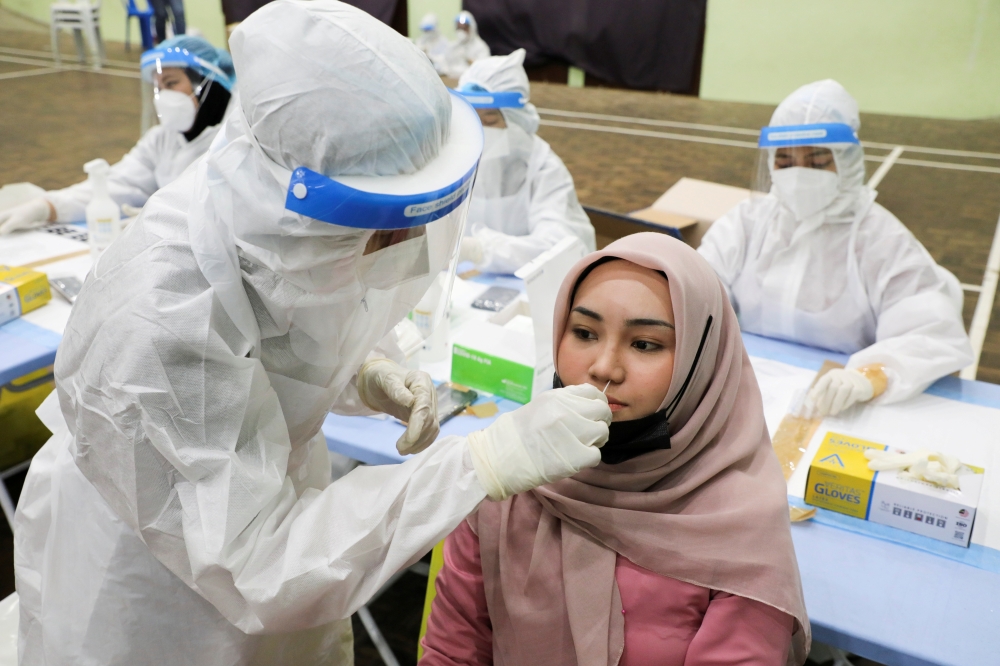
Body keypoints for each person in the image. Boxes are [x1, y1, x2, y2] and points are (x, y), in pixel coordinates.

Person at [13, 2, 612, 663]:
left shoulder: (262, 221)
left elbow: (284, 319)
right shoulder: (158, 320)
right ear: (296, 193)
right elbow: (257, 566)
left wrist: (365, 372)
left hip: (276, 518)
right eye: (382, 222)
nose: (399, 243)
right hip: (158, 588)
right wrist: (478, 465)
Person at [421, 232, 810, 665]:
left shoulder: (738, 527)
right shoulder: (513, 470)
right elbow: (452, 651)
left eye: (644, 344)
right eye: (584, 333)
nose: (604, 367)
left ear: (701, 364)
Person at [698, 79, 973, 417]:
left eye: (816, 163)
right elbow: (697, 289)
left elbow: (931, 335)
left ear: (847, 163)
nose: (799, 175)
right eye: (784, 163)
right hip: (748, 389)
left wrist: (869, 377)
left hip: (843, 406)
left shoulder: (881, 238)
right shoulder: (748, 222)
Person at [0, 35, 235, 235]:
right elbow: (119, 183)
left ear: (207, 83)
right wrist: (48, 206)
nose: (163, 97)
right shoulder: (162, 139)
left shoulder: (236, 140)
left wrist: (159, 221)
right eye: (159, 88)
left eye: (171, 83)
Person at [456, 49, 595, 274]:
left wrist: (479, 249)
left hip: (530, 289)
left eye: (490, 120)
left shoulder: (544, 168)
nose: (480, 132)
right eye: (472, 119)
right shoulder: (458, 163)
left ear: (516, 120)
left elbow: (558, 248)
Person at [442, 10, 490, 78]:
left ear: (472, 28)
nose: (461, 32)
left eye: (464, 28)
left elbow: (484, 69)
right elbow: (445, 65)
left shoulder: (481, 47)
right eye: (459, 28)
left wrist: (468, 59)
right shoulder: (452, 46)